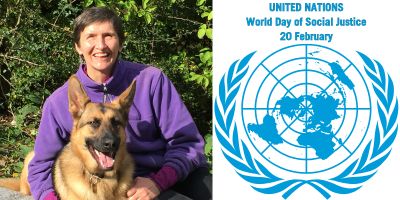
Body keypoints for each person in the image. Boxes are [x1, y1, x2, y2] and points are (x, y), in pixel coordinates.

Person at [28, 7, 211, 200]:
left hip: (170, 171)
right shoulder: (58, 101)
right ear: (78, 46)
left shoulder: (151, 80)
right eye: (91, 37)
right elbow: (40, 166)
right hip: (127, 185)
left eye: (108, 36)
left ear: (120, 43)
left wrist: (158, 181)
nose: (100, 45)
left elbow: (189, 143)